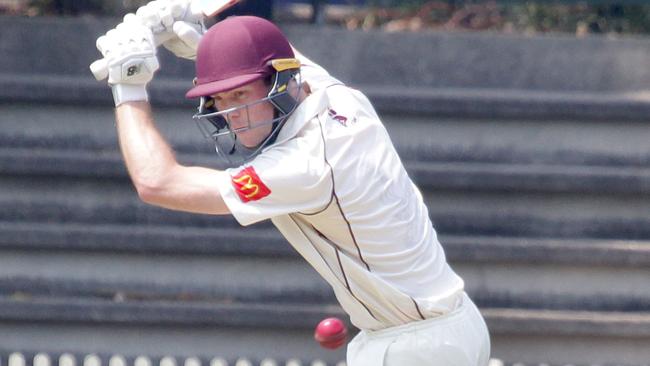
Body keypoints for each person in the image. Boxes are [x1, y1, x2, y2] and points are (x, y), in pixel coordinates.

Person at [92, 2, 491, 365]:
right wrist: (209, 40)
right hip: (452, 327)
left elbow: (158, 183)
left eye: (241, 93)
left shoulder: (306, 165)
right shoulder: (338, 98)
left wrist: (128, 84)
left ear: (279, 84)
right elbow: (283, 57)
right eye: (220, 99)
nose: (233, 113)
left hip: (416, 347)